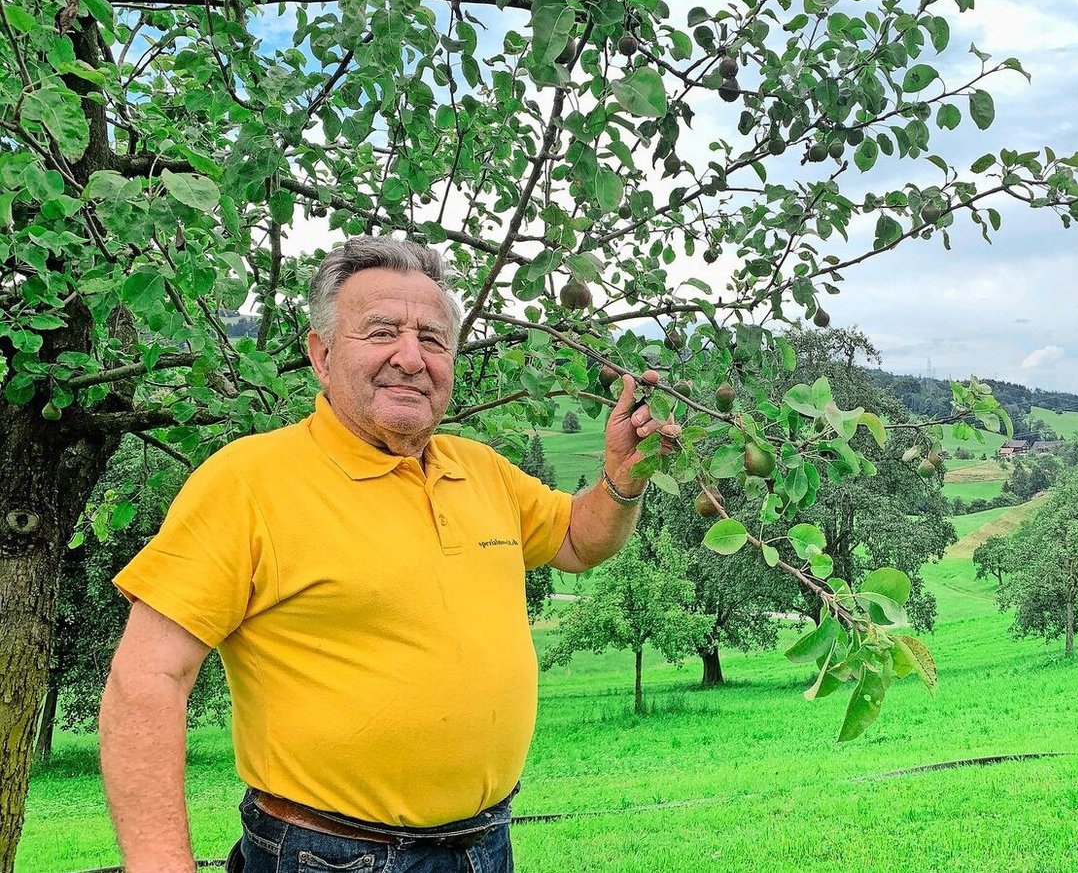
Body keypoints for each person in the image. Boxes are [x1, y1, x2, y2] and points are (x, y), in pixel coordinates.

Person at [98, 237, 677, 873]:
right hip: (327, 856)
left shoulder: (480, 469)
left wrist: (623, 478)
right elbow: (147, 678)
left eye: (433, 339)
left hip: (485, 845)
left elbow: (577, 539)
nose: (410, 357)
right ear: (320, 355)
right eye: (381, 333)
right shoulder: (248, 482)